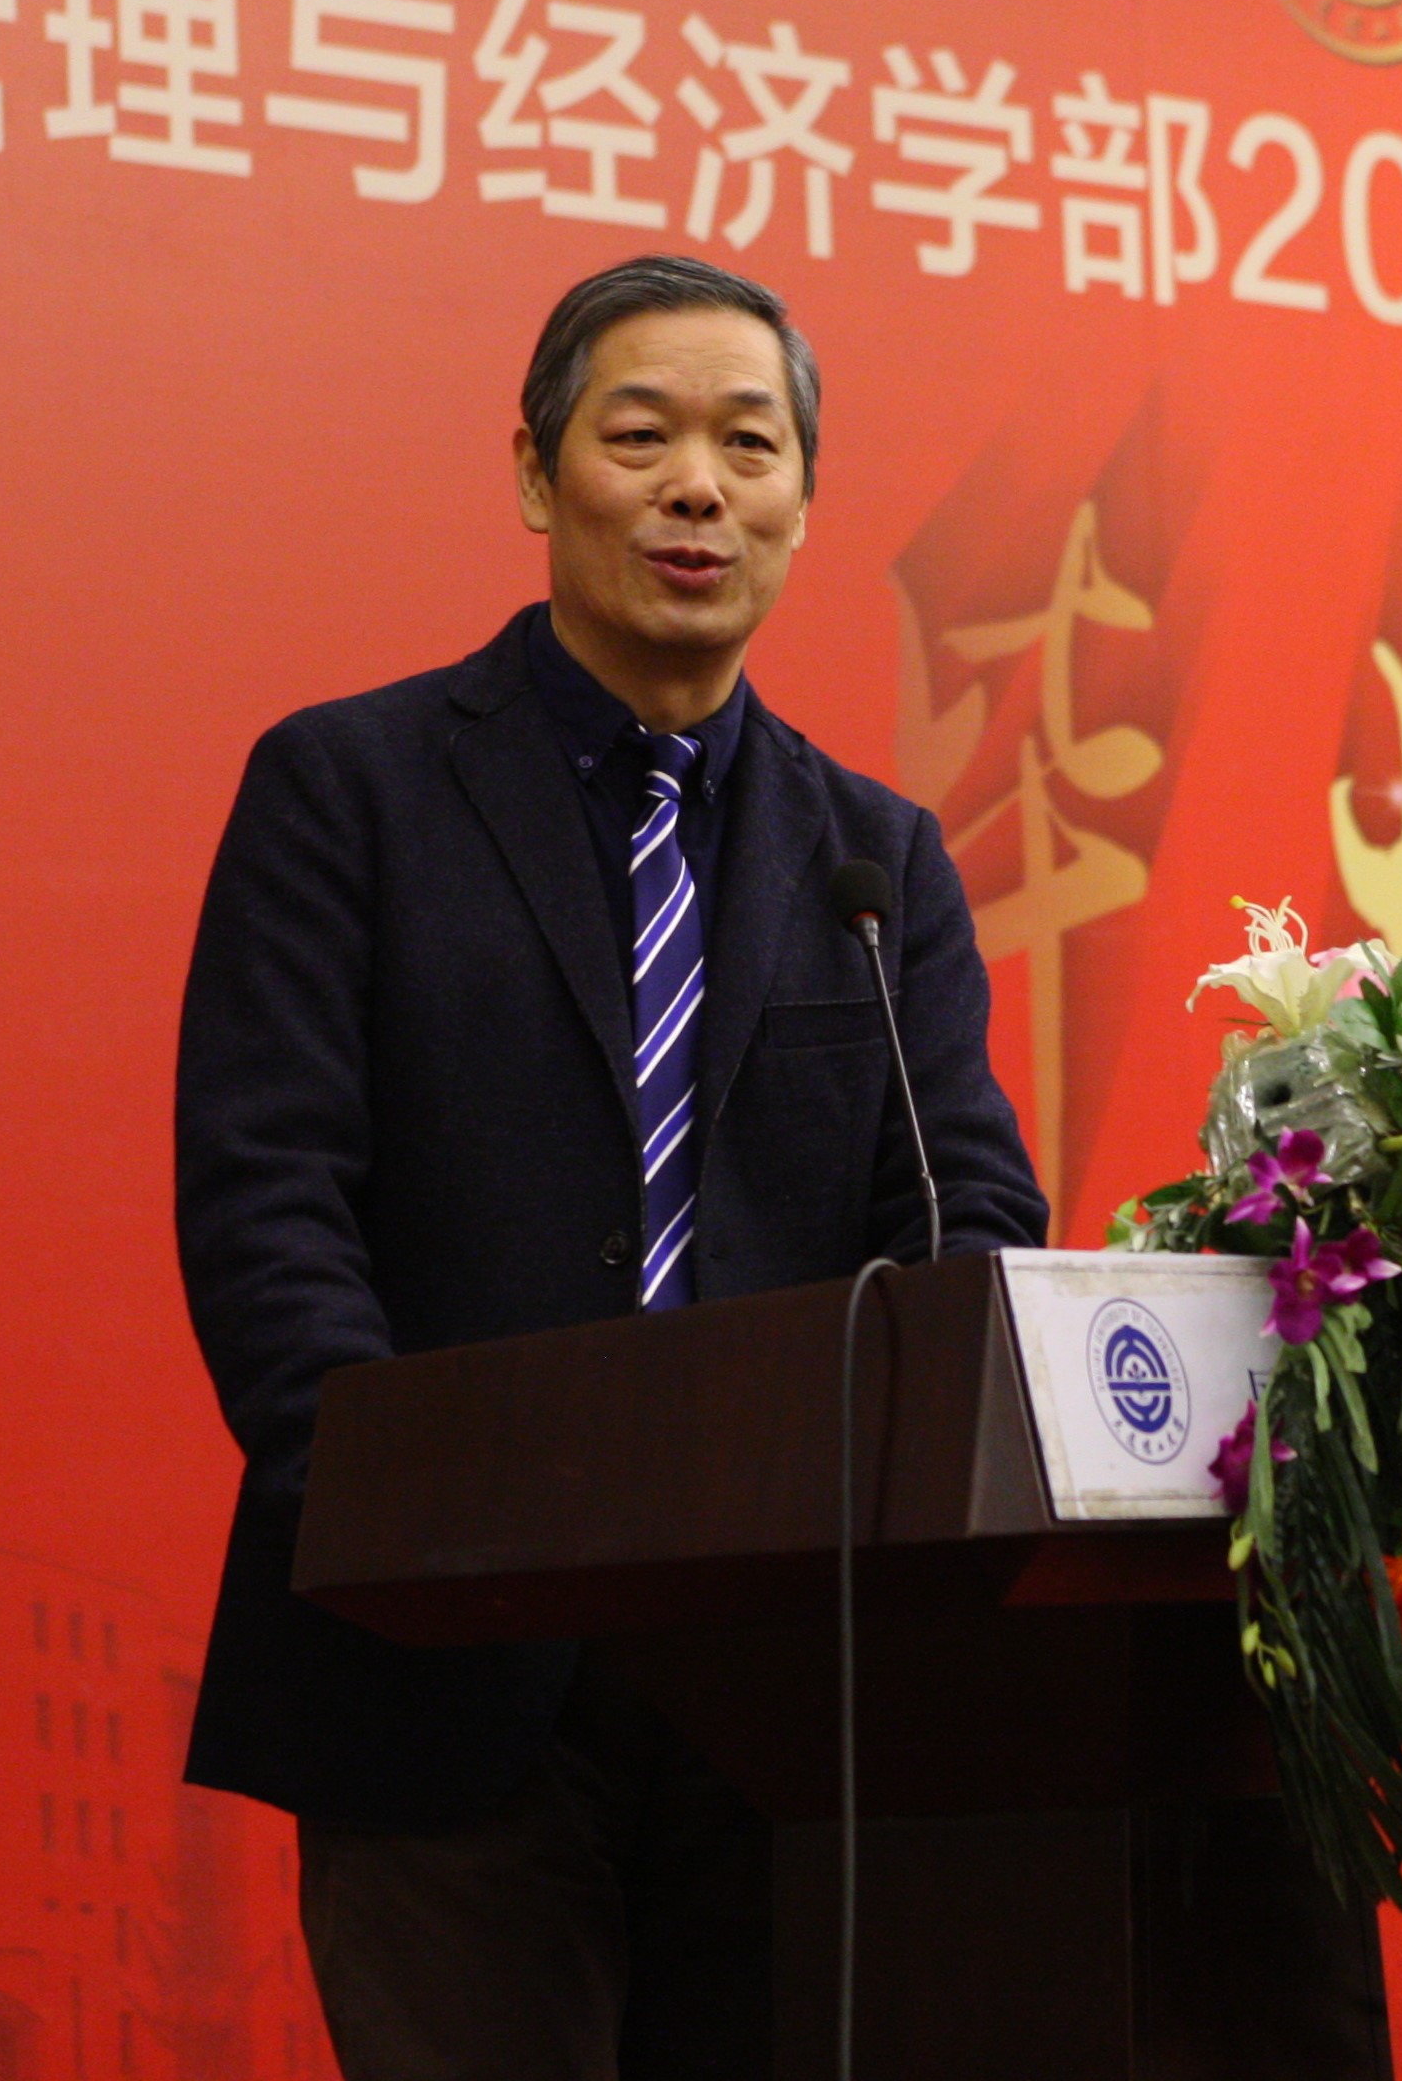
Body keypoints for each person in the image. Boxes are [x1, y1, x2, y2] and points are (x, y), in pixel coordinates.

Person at [172, 254, 1048, 2079]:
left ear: (805, 501)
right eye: (639, 438)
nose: (696, 489)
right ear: (535, 472)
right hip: (444, 1676)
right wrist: (411, 1528)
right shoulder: (349, 790)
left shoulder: (873, 861)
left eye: (750, 446)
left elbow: (964, 1217)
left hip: (781, 1700)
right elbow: (269, 1198)